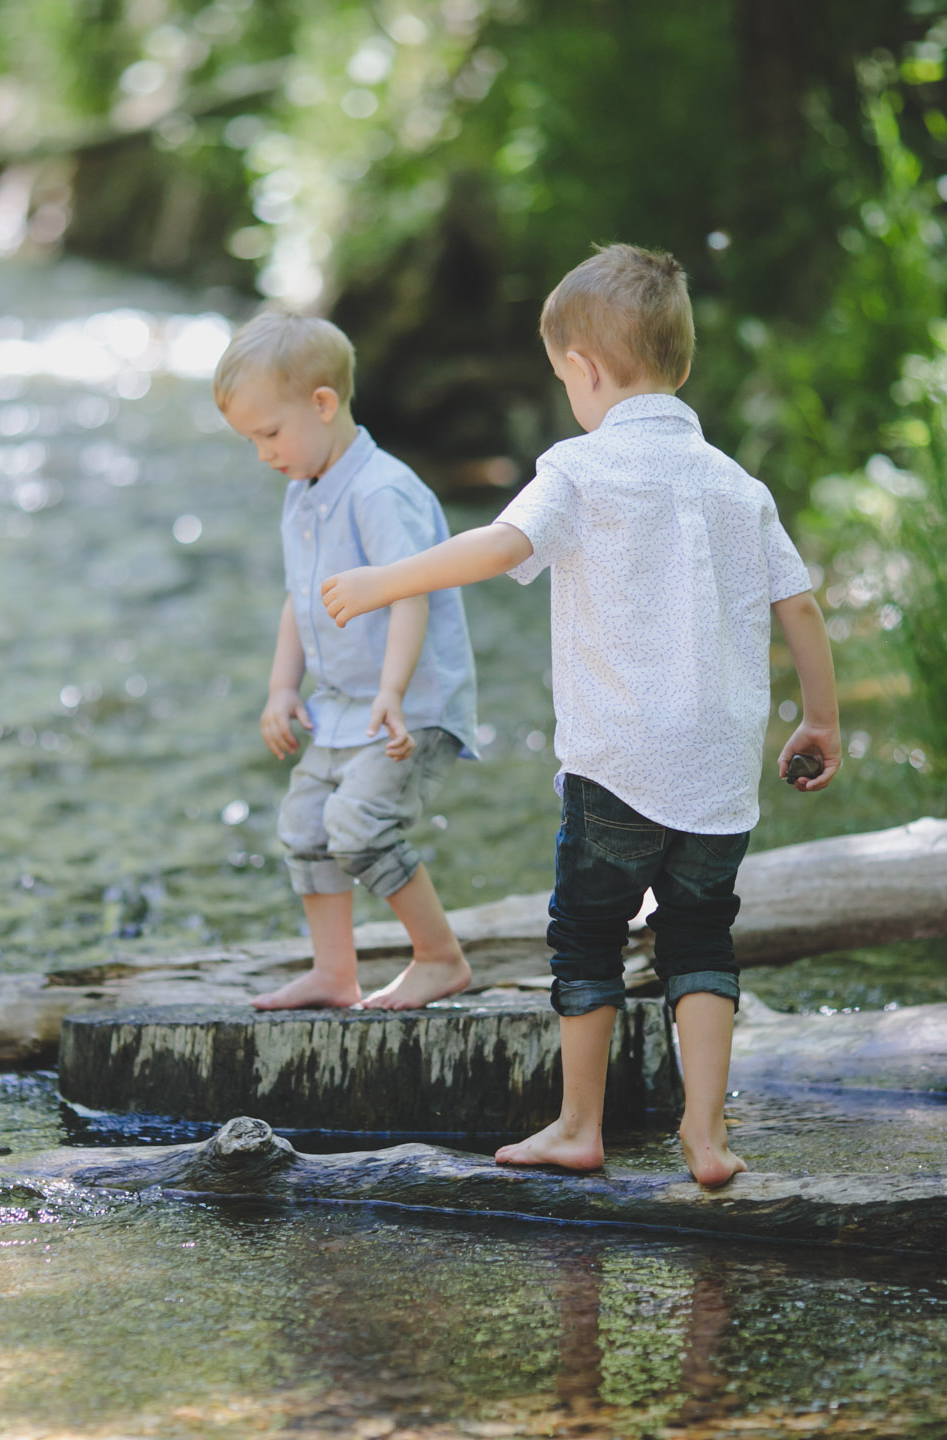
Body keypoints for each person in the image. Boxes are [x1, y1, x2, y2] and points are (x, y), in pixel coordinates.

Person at [320, 245, 841, 1186]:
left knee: (589, 936)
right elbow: (798, 605)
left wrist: (378, 581)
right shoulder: (738, 484)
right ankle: (709, 1135)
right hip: (720, 767)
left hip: (618, 762)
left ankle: (578, 1125)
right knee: (700, 940)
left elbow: (494, 545)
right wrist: (820, 722)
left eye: (565, 378)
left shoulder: (581, 469)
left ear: (586, 370)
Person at [213, 312, 481, 1010]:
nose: (264, 454)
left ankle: (440, 957)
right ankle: (335, 972)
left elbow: (410, 596)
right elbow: (298, 599)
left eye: (270, 434)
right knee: (304, 827)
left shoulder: (379, 490)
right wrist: (281, 688)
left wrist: (391, 691)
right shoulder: (301, 493)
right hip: (339, 708)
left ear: (323, 404)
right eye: (252, 441)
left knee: (359, 825)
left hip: (409, 706)